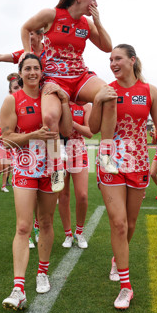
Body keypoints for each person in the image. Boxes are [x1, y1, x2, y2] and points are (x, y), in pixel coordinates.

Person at [90, 44, 157, 310]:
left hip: (138, 159)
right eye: (110, 60)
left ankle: (118, 258)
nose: (113, 63)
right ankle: (126, 287)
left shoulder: (149, 91)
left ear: (132, 60)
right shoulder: (107, 90)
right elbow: (94, 128)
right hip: (109, 159)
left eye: (118, 59)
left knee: (129, 223)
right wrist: (96, 101)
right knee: (118, 224)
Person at [20, 0, 117, 190]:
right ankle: (56, 169)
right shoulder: (52, 15)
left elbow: (108, 47)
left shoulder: (86, 24)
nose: (96, 4)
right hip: (55, 79)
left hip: (80, 76)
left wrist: (98, 22)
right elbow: (26, 27)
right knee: (49, 117)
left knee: (110, 94)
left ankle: (106, 154)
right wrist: (28, 54)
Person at [1, 54, 72, 310]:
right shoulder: (13, 100)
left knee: (46, 221)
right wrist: (32, 135)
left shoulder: (51, 97)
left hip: (53, 162)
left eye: (36, 68)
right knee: (23, 226)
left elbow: (67, 131)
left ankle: (42, 271)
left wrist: (64, 98)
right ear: (20, 73)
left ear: (42, 72)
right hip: (26, 165)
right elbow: (5, 140)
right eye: (27, 68)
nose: (32, 72)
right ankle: (18, 287)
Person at [58, 101, 92, 249]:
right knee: (63, 195)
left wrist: (71, 123)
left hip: (78, 149)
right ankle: (68, 234)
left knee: (82, 195)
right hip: (58, 148)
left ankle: (79, 231)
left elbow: (90, 132)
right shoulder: (57, 102)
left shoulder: (86, 106)